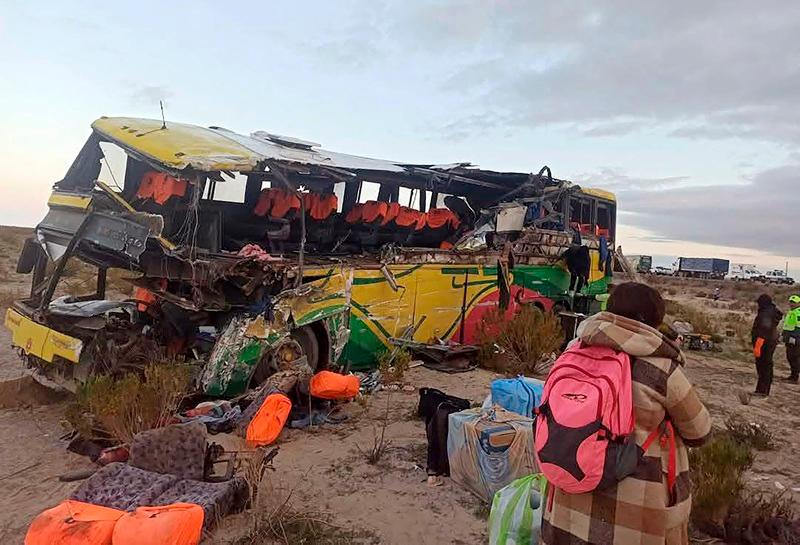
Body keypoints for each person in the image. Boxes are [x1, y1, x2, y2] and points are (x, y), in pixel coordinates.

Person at [541, 282, 711, 545]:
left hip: (568, 500)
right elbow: (699, 432)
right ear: (650, 320)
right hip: (632, 516)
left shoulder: (573, 352)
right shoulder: (660, 368)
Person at [751, 294, 783, 396]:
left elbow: (764, 329)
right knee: (766, 365)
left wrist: (758, 346)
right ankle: (761, 389)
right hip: (769, 341)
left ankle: (763, 390)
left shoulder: (766, 313)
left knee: (763, 365)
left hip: (764, 343)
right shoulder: (771, 311)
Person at [782, 294, 800, 383]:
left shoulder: (798, 312)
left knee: (794, 357)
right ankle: (793, 375)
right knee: (790, 356)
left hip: (795, 338)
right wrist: (784, 335)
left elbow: (798, 326)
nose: (791, 304)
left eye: (794, 302)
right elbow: (787, 325)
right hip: (788, 337)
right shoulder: (791, 311)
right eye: (791, 302)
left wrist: (794, 337)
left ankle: (795, 377)